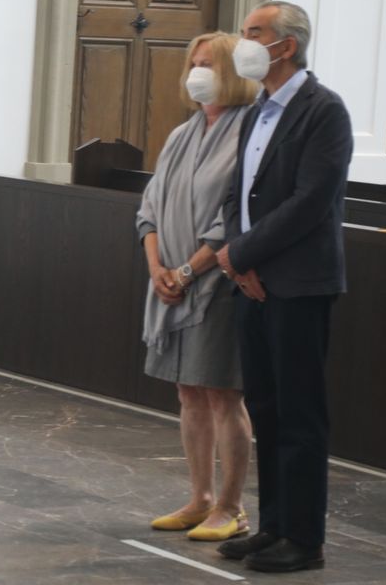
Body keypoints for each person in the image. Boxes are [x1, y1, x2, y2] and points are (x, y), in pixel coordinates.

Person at [215, 1, 353, 573]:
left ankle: (304, 537)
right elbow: (237, 192)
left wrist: (243, 253)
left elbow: (310, 202)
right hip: (253, 282)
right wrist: (236, 259)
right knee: (266, 408)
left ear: (286, 45)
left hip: (298, 283)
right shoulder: (257, 110)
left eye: (254, 33)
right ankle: (273, 524)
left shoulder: (324, 110)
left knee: (299, 413)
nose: (243, 42)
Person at [137, 32, 257, 543]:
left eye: (208, 64)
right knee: (188, 392)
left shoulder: (247, 132)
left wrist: (188, 271)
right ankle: (200, 497)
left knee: (222, 393)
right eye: (193, 64)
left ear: (232, 72)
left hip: (217, 284)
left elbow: (235, 216)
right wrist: (157, 268)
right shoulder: (181, 134)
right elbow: (149, 208)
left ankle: (232, 506)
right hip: (169, 281)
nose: (196, 73)